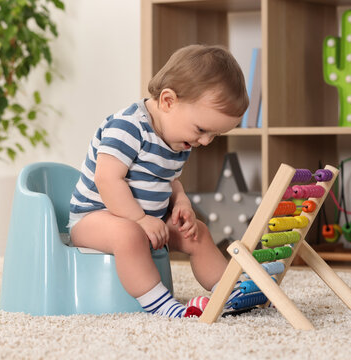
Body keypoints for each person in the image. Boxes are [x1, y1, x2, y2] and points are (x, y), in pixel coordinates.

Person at [68, 44, 249, 318]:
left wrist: (182, 201)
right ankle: (159, 303)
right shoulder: (128, 127)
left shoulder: (179, 139)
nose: (205, 141)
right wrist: (139, 220)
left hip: (148, 222)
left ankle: (230, 291)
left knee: (196, 232)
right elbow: (107, 179)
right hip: (95, 219)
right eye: (202, 129)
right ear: (168, 101)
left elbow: (170, 179)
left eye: (215, 135)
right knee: (128, 235)